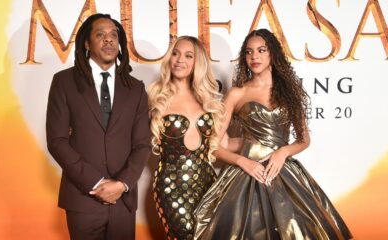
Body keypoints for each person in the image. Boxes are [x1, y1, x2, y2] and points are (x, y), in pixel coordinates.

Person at [194, 29, 353, 240]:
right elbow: (213, 146)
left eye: (261, 50)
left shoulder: (289, 90)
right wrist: (243, 161)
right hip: (246, 174)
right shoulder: (237, 93)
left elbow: (304, 140)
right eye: (249, 52)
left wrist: (283, 152)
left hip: (283, 171)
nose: (254, 57)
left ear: (273, 54)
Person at [46, 13, 151, 240]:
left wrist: (122, 184)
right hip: (82, 198)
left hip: (123, 200)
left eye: (114, 35)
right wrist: (96, 183)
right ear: (87, 42)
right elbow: (57, 141)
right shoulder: (64, 82)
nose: (109, 40)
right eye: (100, 34)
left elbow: (143, 144)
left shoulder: (136, 89)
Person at [148, 36, 224, 240]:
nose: (180, 60)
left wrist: (262, 145)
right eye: (175, 53)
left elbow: (223, 145)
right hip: (171, 187)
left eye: (188, 56)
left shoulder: (207, 99)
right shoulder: (156, 96)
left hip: (208, 186)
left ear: (197, 62)